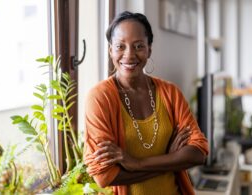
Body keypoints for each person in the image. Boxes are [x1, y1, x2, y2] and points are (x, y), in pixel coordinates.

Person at [84, 11, 208, 195]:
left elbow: (198, 152)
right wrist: (171, 159)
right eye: (120, 46)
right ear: (110, 50)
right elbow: (105, 175)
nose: (129, 55)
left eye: (138, 46)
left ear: (149, 49)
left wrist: (136, 163)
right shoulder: (99, 98)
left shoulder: (170, 93)